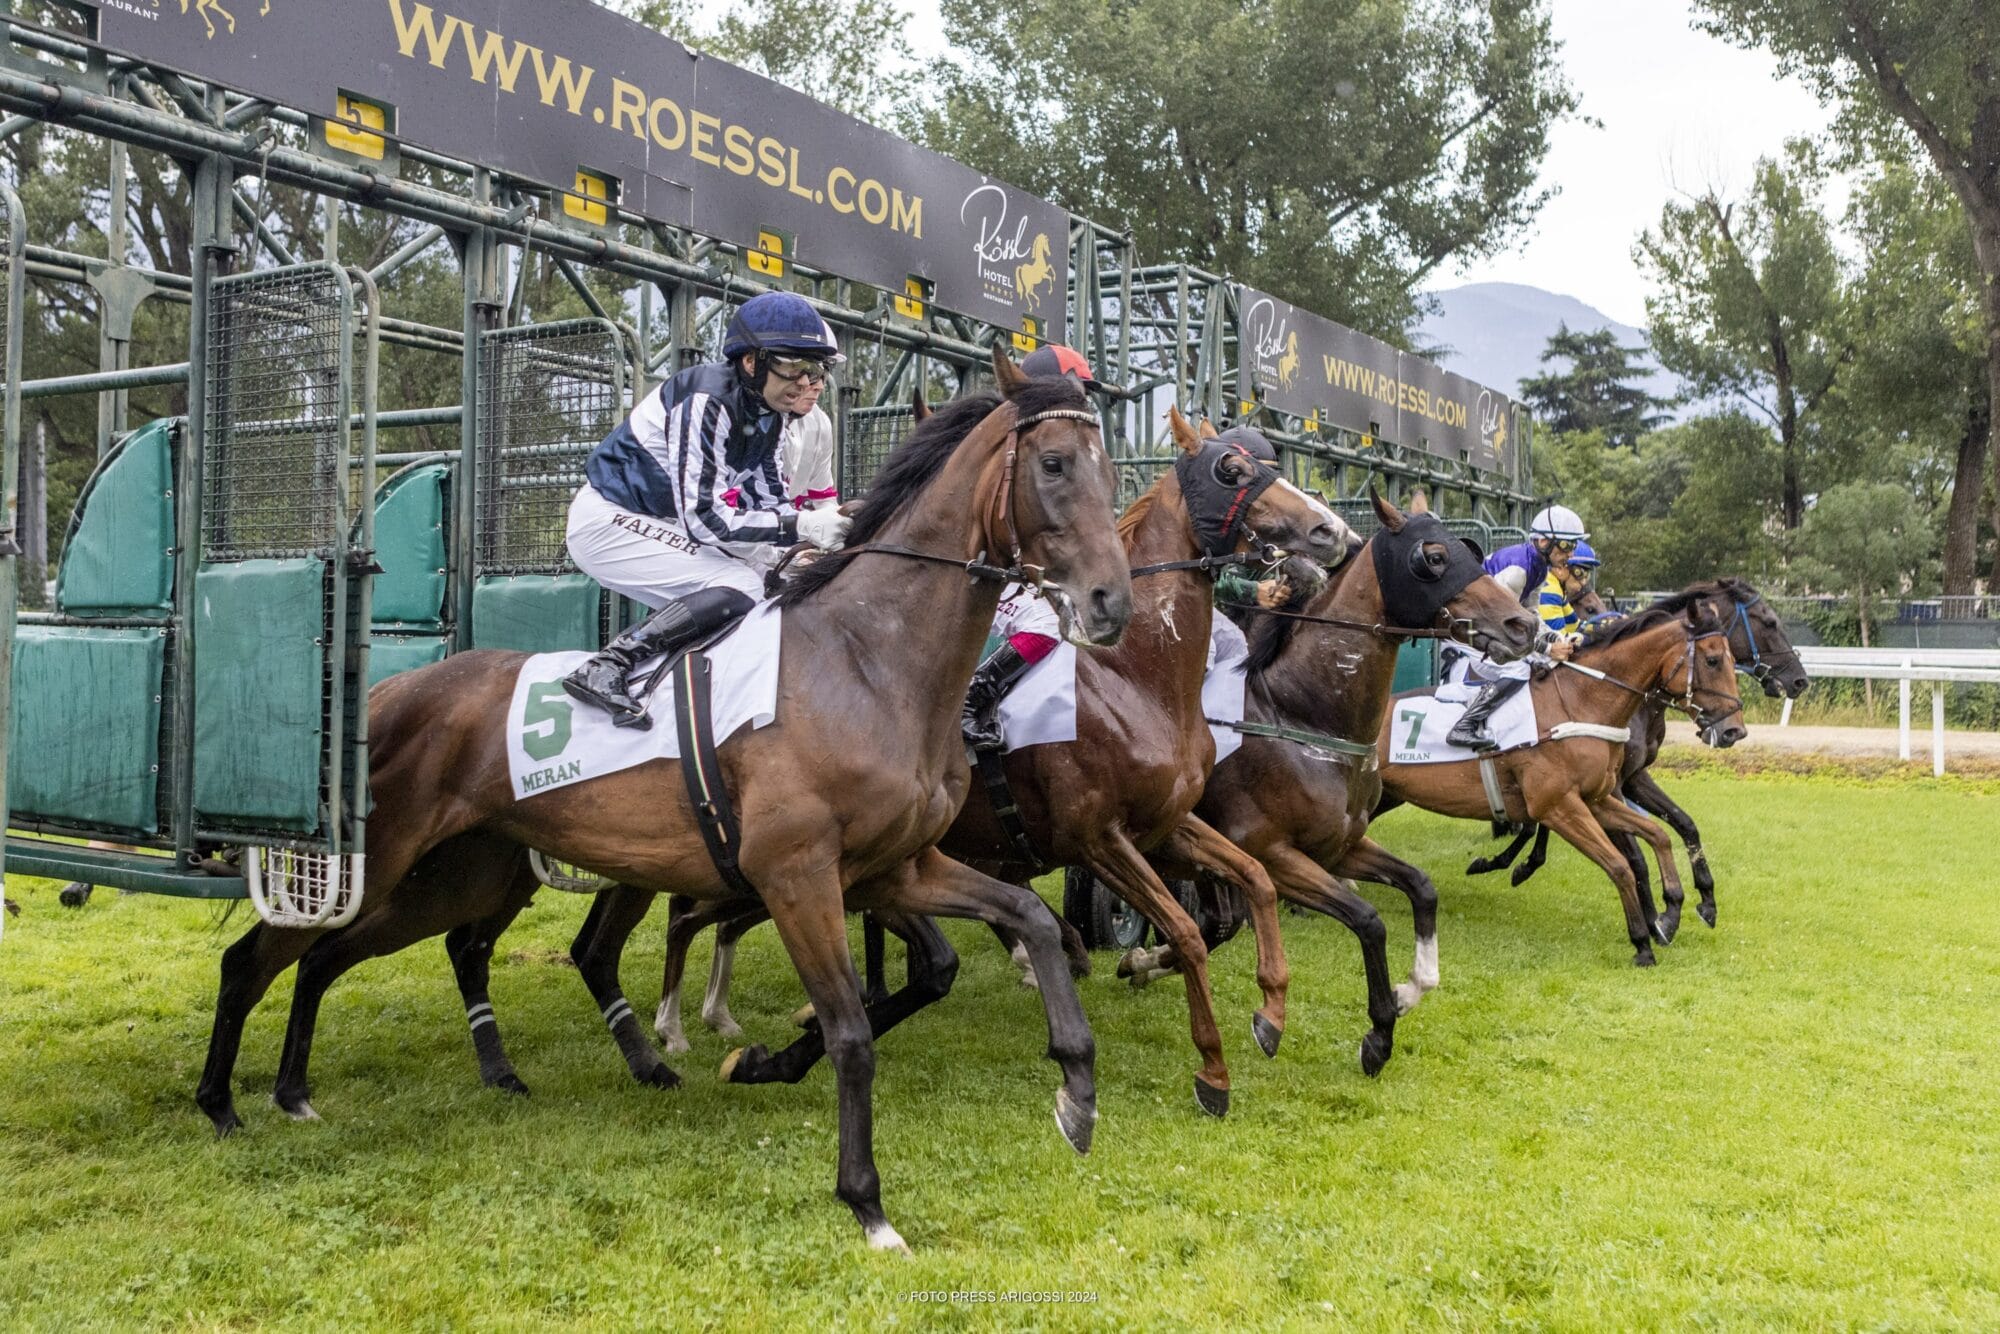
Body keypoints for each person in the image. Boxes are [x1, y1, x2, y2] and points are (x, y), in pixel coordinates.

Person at [562, 290, 852, 728]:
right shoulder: (706, 399)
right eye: (795, 366)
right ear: (752, 362)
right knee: (739, 583)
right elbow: (706, 520)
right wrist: (804, 523)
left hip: (657, 523)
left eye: (816, 370)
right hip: (608, 521)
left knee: (775, 581)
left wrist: (797, 551)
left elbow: (768, 502)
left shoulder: (772, 412)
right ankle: (609, 664)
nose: (806, 381)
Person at [1446, 504, 1588, 751]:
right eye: (1567, 545)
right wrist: (1546, 649)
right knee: (1519, 669)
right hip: (1464, 630)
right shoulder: (1518, 571)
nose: (1570, 553)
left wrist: (1556, 638)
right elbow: (1504, 626)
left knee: (1531, 663)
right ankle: (1464, 726)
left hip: (1482, 627)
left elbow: (1531, 615)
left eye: (1573, 546)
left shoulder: (1539, 569)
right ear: (1544, 541)